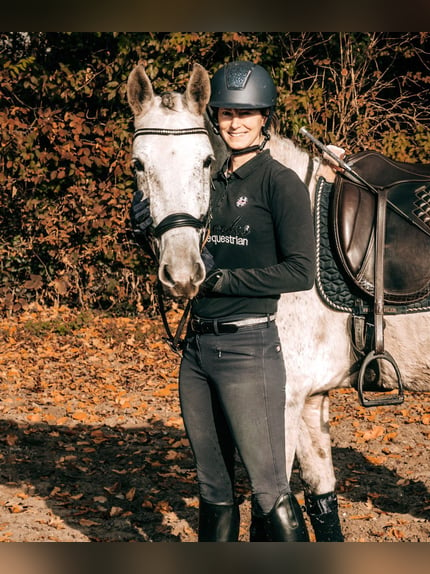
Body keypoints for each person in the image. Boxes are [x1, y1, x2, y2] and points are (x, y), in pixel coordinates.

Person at [132, 61, 316, 542]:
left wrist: (221, 282)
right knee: (213, 489)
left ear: (265, 118)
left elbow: (301, 271)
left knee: (269, 490)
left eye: (247, 113)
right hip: (196, 354)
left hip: (248, 350)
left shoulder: (280, 183)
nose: (236, 123)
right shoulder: (209, 181)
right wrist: (146, 227)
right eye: (228, 113)